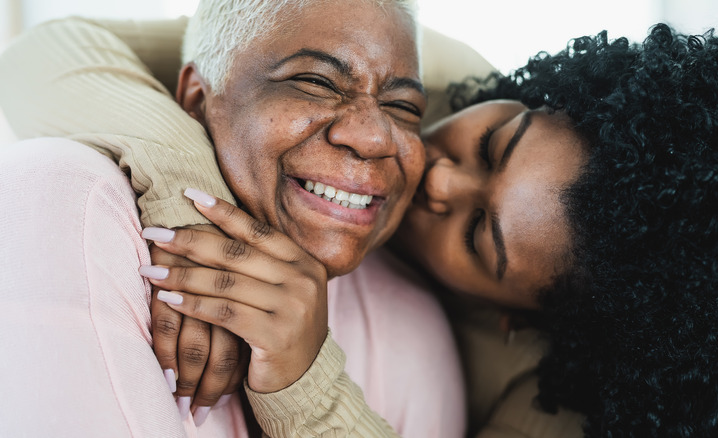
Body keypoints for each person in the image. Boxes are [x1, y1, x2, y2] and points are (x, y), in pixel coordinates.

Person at [5, 11, 718, 438]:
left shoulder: (546, 403)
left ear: (515, 316)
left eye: (479, 233)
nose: (437, 172)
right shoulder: (418, 77)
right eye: (491, 141)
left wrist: (304, 378)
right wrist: (185, 196)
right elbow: (48, 52)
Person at [0, 0, 475, 437]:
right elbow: (38, 54)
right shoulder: (70, 205)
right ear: (196, 98)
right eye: (315, 82)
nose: (373, 138)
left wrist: (307, 392)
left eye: (403, 107)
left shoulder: (413, 326)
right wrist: (189, 196)